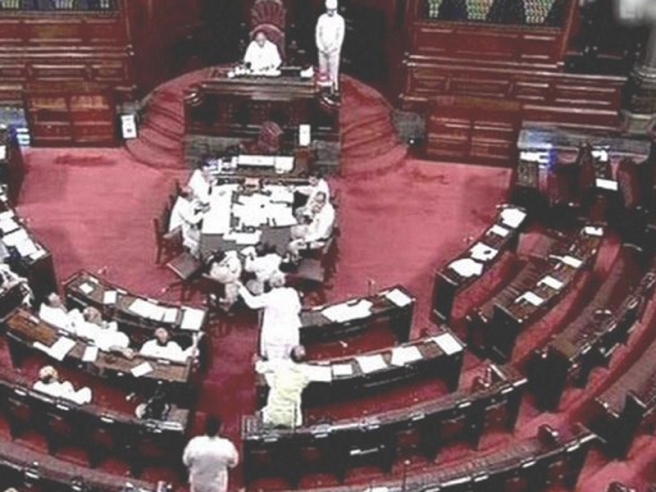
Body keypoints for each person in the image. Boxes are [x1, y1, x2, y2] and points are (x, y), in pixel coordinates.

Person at [238, 273, 302, 360]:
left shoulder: (270, 297)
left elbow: (252, 303)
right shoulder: (292, 293)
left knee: (274, 362)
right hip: (291, 334)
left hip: (274, 337)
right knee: (288, 361)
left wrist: (241, 288)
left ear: (271, 284)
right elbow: (297, 308)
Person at [255, 346, 311, 428]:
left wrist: (257, 360)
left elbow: (259, 368)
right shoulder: (306, 371)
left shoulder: (279, 364)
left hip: (272, 414)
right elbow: (305, 383)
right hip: (292, 418)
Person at [183, 415, 239, 492]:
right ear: (220, 429)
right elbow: (234, 463)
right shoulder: (227, 445)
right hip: (217, 486)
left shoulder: (194, 443)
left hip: (198, 485)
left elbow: (186, 461)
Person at [288, 192, 336, 261]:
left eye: (319, 202)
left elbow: (319, 234)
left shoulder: (327, 216)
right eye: (315, 201)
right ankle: (296, 252)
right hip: (311, 230)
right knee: (292, 230)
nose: (316, 204)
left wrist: (304, 240)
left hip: (317, 239)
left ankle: (295, 258)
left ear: (324, 202)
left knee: (291, 245)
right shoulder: (320, 207)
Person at [315, 0, 345, 92]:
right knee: (323, 70)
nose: (330, 12)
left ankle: (334, 90)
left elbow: (340, 38)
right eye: (328, 10)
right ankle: (323, 90)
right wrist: (321, 47)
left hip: (334, 51)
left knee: (333, 71)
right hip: (322, 50)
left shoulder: (340, 20)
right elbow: (318, 34)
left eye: (332, 10)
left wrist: (332, 48)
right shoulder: (322, 18)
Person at [170, 187, 206, 257]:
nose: (194, 195)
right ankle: (196, 258)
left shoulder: (185, 200)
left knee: (203, 235)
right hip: (179, 233)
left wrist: (200, 206)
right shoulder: (182, 206)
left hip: (187, 228)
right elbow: (193, 220)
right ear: (187, 196)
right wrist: (203, 212)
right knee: (202, 239)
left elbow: (193, 206)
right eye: (192, 194)